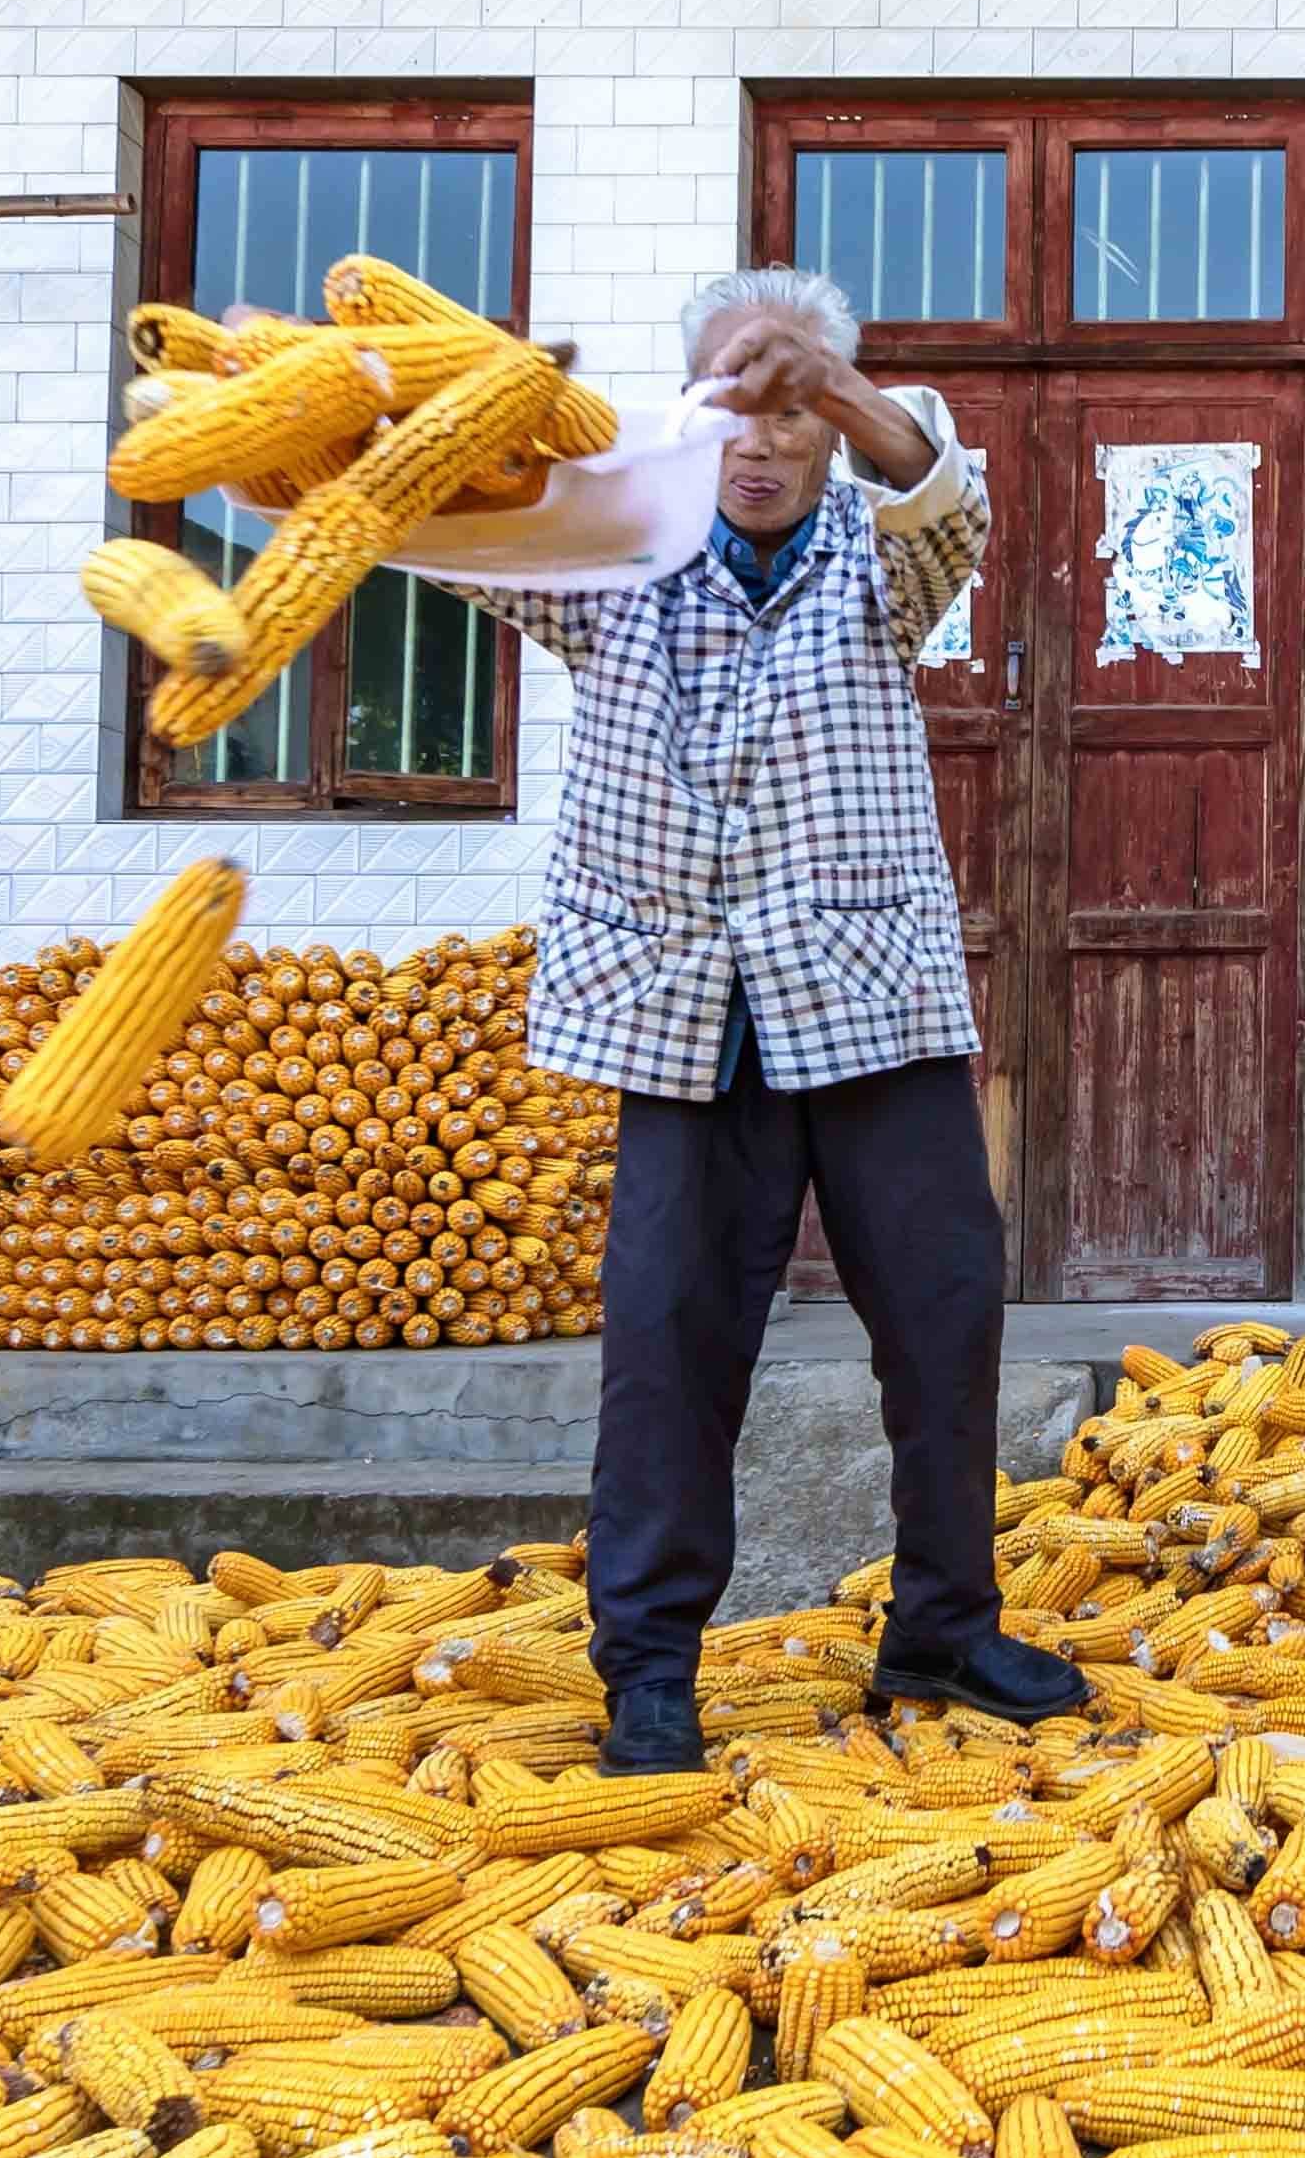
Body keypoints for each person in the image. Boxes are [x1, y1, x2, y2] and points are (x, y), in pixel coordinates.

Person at [451, 266, 1086, 1774]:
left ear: (824, 428)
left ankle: (940, 1626)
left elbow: (948, 497)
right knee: (669, 1340)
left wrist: (828, 376)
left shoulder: (882, 565)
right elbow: (454, 539)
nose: (756, 443)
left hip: (869, 1003)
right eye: (731, 407)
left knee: (941, 1318)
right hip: (679, 1013)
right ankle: (649, 1667)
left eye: (785, 413)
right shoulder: (614, 560)